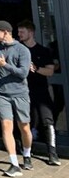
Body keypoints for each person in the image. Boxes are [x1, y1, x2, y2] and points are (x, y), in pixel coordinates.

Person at [0, 20, 33, 177]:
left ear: (5, 32)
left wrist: (4, 65)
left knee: (24, 127)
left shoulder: (22, 50)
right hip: (1, 93)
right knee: (6, 126)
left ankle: (27, 154)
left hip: (20, 93)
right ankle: (14, 164)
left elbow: (23, 73)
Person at [17, 20, 61, 166]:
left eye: (22, 32)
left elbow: (50, 71)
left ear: (31, 32)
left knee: (47, 121)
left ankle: (52, 153)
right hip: (23, 91)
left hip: (41, 91)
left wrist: (36, 69)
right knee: (26, 122)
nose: (19, 34)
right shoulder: (17, 50)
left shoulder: (43, 51)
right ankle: (27, 154)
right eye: (18, 32)